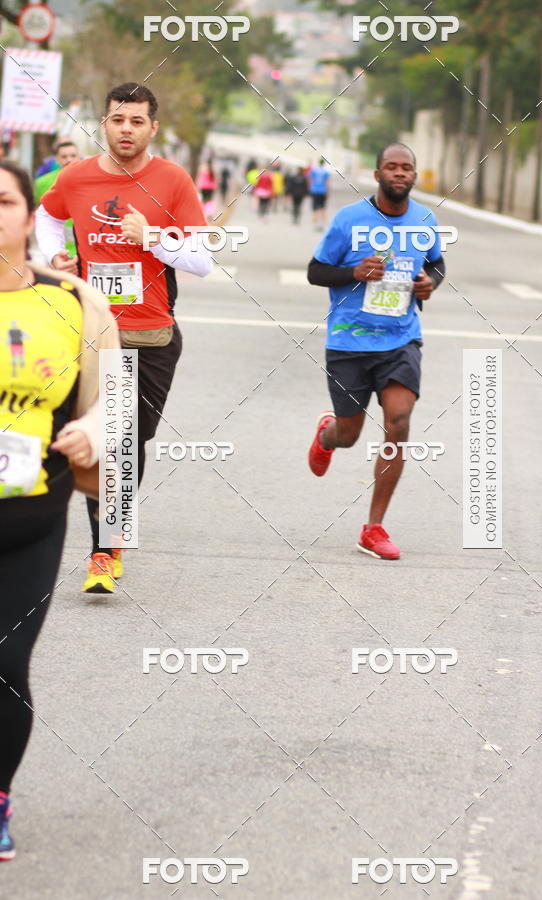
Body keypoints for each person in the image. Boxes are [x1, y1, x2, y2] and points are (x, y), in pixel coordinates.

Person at [35, 82, 213, 594]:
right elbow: (48, 216)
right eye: (118, 119)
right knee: (106, 441)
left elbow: (201, 261)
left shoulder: (174, 181)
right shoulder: (77, 177)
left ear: (153, 127)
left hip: (152, 334)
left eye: (137, 121)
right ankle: (104, 550)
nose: (126, 129)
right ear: (105, 124)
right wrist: (54, 258)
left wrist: (152, 238)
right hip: (92, 333)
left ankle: (107, 538)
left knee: (131, 443)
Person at [0, 160, 119, 860]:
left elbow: (115, 399)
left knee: (7, 660)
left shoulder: (71, 302)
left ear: (25, 216)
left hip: (31, 514)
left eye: (3, 200)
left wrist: (92, 433)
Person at [306, 143, 446, 560]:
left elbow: (436, 264)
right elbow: (315, 271)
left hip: (401, 339)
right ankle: (327, 435)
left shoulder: (425, 219)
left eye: (407, 168)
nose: (400, 173)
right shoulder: (349, 220)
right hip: (348, 342)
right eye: (392, 167)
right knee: (350, 435)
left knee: (398, 422)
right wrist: (353, 271)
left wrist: (429, 284)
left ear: (414, 176)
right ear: (378, 173)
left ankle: (374, 527)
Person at [34, 139, 80, 259]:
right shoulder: (41, 183)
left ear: (79, 157)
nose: (69, 160)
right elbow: (36, 211)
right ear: (56, 159)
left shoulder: (90, 181)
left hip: (82, 251)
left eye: (73, 156)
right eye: (64, 156)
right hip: (54, 251)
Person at [308, 157, 331, 229]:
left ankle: (315, 224)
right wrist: (328, 192)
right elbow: (327, 183)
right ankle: (321, 223)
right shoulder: (326, 172)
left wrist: (310, 189)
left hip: (314, 190)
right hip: (323, 191)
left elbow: (310, 180)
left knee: (314, 207)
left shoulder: (314, 170)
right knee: (322, 207)